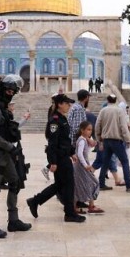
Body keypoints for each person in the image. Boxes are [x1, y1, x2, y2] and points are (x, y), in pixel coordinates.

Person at [0, 75, 32, 238]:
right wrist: (10, 147)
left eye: (13, 91)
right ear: (2, 91)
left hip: (6, 155)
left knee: (15, 182)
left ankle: (13, 220)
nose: (11, 94)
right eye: (9, 90)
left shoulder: (4, 110)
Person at [27, 94, 86, 223]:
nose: (69, 106)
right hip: (60, 158)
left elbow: (65, 140)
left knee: (60, 185)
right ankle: (69, 214)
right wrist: (52, 162)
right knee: (69, 184)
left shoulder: (62, 119)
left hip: (64, 155)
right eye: (67, 103)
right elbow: (53, 143)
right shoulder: (55, 121)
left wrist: (71, 152)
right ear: (60, 104)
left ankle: (35, 201)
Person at [95, 94, 130, 192]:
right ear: (115, 100)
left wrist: (99, 139)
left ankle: (101, 184)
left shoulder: (103, 111)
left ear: (107, 100)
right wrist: (128, 140)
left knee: (105, 162)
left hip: (106, 141)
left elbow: (97, 125)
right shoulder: (119, 111)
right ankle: (129, 185)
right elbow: (123, 127)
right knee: (124, 161)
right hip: (116, 141)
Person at [73, 121, 103, 214]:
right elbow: (79, 154)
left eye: (91, 130)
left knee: (82, 184)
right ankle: (90, 205)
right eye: (88, 129)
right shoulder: (82, 140)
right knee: (92, 183)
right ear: (82, 130)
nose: (90, 132)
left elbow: (92, 145)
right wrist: (85, 165)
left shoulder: (84, 139)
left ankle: (89, 205)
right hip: (82, 167)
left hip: (82, 166)